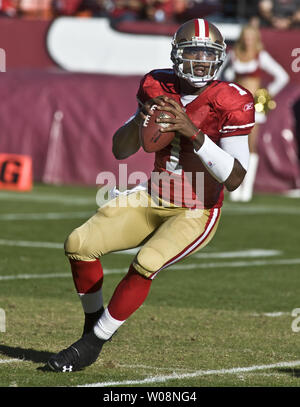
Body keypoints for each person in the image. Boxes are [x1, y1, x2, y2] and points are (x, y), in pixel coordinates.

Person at [47, 18, 255, 372]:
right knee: (78, 244)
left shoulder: (231, 100)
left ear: (219, 58)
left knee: (146, 262)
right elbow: (120, 150)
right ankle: (94, 325)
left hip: (196, 208)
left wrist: (193, 133)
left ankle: (93, 344)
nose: (201, 61)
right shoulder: (157, 85)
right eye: (193, 52)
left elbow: (235, 177)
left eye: (208, 54)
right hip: (154, 194)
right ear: (177, 55)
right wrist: (139, 120)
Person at [223, 24, 289, 202]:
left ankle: (247, 189)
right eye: (246, 36)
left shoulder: (261, 56)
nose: (248, 40)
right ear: (242, 37)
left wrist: (267, 94)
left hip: (254, 106)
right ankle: (235, 187)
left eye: (252, 36)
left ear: (256, 38)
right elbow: (224, 76)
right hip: (236, 105)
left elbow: (282, 76)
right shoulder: (233, 54)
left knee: (251, 144)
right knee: (234, 143)